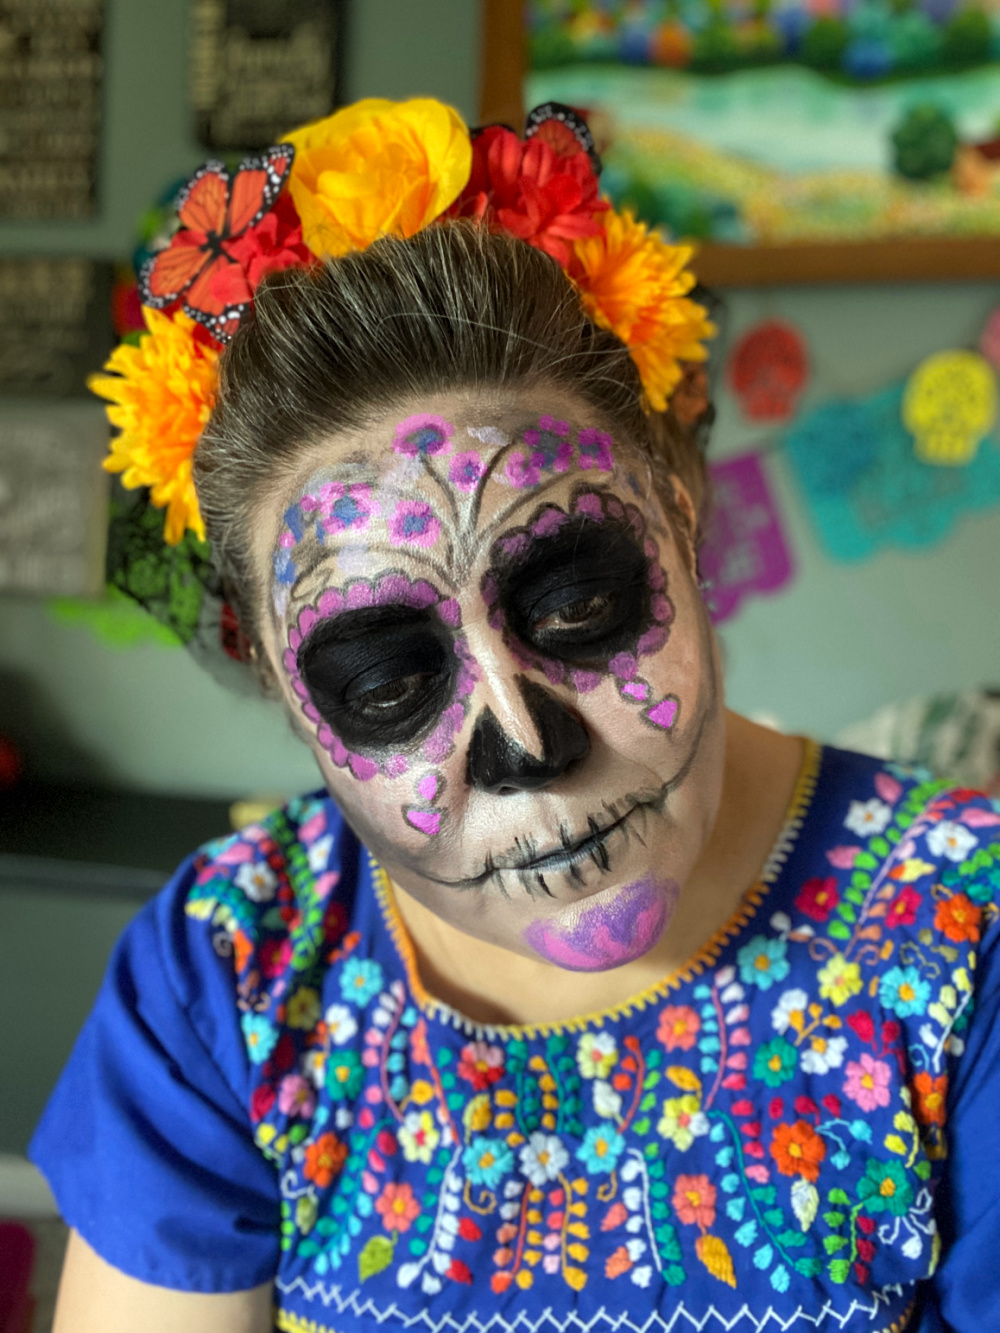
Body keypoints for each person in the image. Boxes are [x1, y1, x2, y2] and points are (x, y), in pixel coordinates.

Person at [30, 97, 1000, 1333]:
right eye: (387, 684)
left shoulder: (967, 942)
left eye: (580, 598)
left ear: (682, 507)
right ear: (277, 680)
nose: (527, 743)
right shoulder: (227, 972)